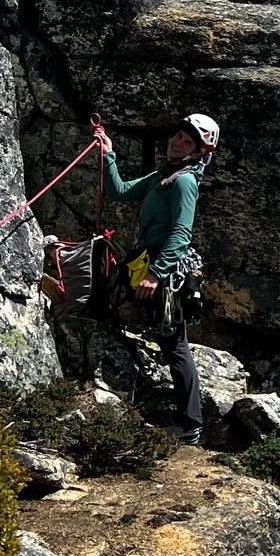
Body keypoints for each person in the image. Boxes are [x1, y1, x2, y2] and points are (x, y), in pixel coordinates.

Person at [93, 113, 219, 443]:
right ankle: (186, 420)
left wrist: (154, 274)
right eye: (177, 135)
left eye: (187, 141)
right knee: (168, 339)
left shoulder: (184, 182)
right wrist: (108, 153)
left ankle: (190, 425)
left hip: (169, 272)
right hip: (156, 265)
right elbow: (119, 192)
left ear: (198, 152)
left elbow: (181, 232)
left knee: (175, 343)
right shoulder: (164, 175)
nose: (176, 142)